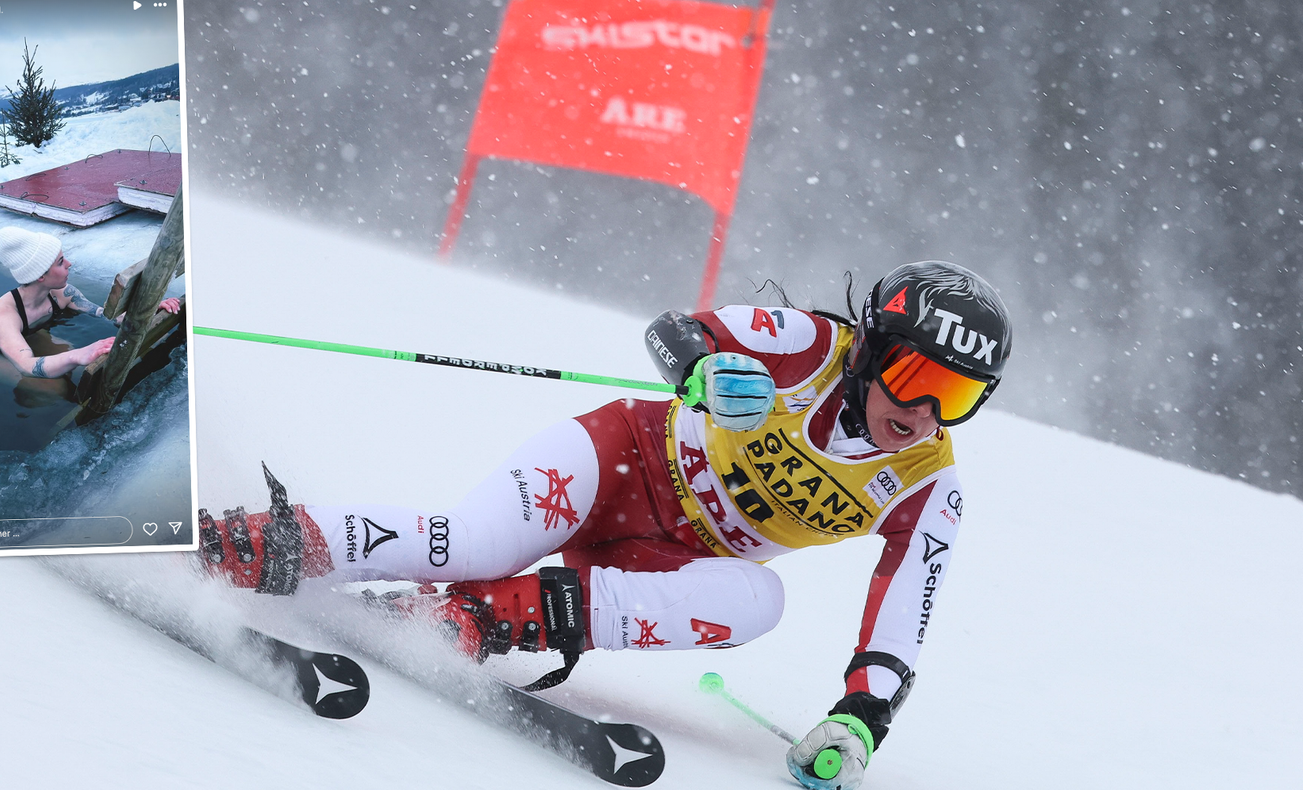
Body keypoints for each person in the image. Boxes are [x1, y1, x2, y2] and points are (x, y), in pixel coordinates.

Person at [202, 260, 1011, 790]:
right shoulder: (812, 347)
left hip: (662, 560)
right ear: (870, 350)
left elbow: (901, 622)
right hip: (618, 462)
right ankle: (245, 544)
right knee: (475, 541)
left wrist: (859, 720)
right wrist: (703, 370)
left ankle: (477, 617)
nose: (923, 412)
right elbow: (674, 330)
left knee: (758, 601)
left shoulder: (926, 484)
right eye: (913, 374)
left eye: (957, 396)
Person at [0, 225, 181, 384]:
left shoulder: (62, 294)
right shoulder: (5, 316)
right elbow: (26, 366)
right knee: (56, 388)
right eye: (60, 262)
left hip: (33, 336)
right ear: (40, 275)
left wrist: (147, 310)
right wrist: (78, 354)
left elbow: (105, 315)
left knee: (77, 371)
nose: (69, 264)